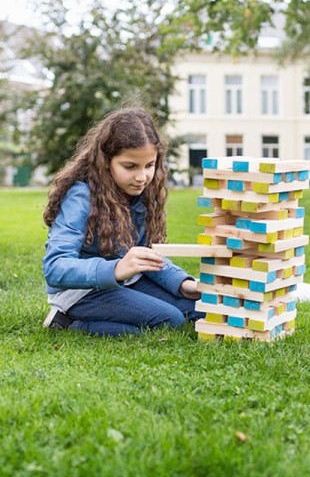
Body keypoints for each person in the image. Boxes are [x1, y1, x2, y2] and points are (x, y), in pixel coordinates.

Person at [42, 106, 203, 336]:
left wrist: (182, 284)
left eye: (149, 166)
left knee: (199, 308)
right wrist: (116, 269)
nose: (142, 177)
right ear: (106, 161)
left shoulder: (144, 193)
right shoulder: (81, 196)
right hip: (82, 291)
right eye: (130, 166)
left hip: (127, 280)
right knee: (170, 320)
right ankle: (68, 322)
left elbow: (145, 255)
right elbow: (55, 267)